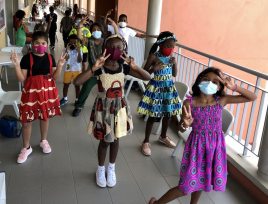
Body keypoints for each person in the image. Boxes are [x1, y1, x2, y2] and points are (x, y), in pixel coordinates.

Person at [148, 67, 257, 204]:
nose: (210, 83)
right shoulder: (189, 103)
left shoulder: (221, 100)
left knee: (202, 180)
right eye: (206, 79)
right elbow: (181, 128)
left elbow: (252, 97)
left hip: (214, 149)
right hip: (196, 149)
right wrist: (185, 123)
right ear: (199, 80)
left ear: (220, 87)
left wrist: (235, 87)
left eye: (215, 82)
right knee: (184, 187)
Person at [74, 34, 151, 188]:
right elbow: (77, 81)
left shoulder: (124, 67)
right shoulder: (100, 68)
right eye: (112, 47)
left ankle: (112, 168)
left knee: (116, 139)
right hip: (103, 109)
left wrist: (136, 67)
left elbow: (148, 77)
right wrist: (93, 68)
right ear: (105, 49)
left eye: (119, 47)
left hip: (120, 108)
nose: (116, 50)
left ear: (124, 50)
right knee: (104, 141)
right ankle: (100, 169)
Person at [10, 31, 66, 164]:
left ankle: (44, 140)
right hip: (30, 94)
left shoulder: (50, 57)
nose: (40, 46)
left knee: (45, 117)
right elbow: (21, 79)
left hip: (46, 94)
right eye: (37, 43)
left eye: (43, 43)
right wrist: (17, 66)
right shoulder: (26, 59)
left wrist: (59, 66)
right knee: (26, 121)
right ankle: (26, 147)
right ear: (32, 44)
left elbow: (54, 77)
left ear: (47, 44)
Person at [137, 31, 182, 156]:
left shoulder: (171, 58)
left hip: (168, 88)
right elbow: (144, 73)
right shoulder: (154, 56)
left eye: (172, 47)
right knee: (153, 115)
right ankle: (145, 141)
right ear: (161, 44)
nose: (171, 49)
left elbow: (174, 74)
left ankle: (163, 136)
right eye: (168, 46)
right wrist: (153, 69)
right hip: (156, 88)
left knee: (167, 114)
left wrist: (175, 64)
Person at [72, 22, 104, 116]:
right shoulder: (89, 41)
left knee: (107, 89)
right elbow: (80, 37)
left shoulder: (106, 41)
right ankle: (79, 106)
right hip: (93, 70)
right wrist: (80, 26)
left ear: (102, 31)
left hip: (105, 71)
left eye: (98, 30)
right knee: (86, 88)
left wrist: (114, 26)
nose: (96, 31)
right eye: (94, 30)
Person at [60, 34, 82, 106]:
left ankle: (77, 99)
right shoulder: (66, 50)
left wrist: (78, 52)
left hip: (77, 70)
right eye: (71, 43)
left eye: (75, 43)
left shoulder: (79, 49)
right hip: (68, 70)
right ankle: (65, 98)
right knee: (66, 84)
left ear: (77, 43)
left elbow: (79, 60)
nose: (73, 44)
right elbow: (65, 59)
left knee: (77, 85)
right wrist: (68, 51)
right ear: (68, 43)